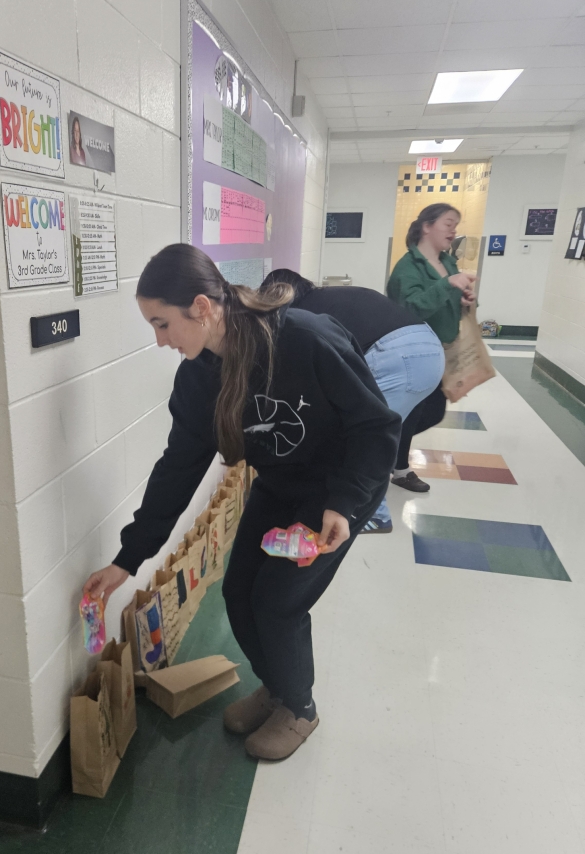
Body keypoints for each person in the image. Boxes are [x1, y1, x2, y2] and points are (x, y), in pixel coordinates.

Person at [84, 244, 400, 761]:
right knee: (238, 592)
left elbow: (376, 425)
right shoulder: (197, 378)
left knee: (278, 601)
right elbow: (177, 471)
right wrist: (127, 560)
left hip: (340, 492)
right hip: (281, 486)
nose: (159, 340)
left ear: (203, 309)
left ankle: (300, 708)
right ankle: (277, 689)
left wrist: (344, 503)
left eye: (163, 324)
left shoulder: (305, 339)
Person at [259, 269, 444, 533]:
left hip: (399, 357)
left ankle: (367, 514)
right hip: (429, 350)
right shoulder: (329, 297)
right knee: (388, 427)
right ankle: (391, 477)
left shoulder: (303, 316)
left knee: (362, 434)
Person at [386, 204, 476, 492]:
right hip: (416, 354)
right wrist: (447, 285)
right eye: (448, 223)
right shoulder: (408, 267)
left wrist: (463, 301)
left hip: (441, 351)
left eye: (455, 224)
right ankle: (398, 468)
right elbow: (410, 308)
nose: (453, 230)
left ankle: (386, 451)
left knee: (432, 413)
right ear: (427, 226)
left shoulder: (447, 263)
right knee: (412, 413)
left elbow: (444, 301)